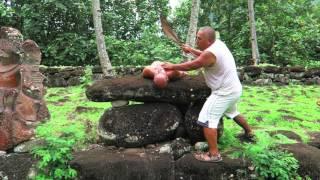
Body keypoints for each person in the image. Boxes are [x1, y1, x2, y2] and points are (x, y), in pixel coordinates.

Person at [162, 26, 254, 162]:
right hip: (234, 89)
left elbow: (193, 65)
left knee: (207, 120)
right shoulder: (219, 45)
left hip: (223, 92)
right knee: (232, 112)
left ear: (209, 41)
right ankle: (250, 133)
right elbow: (204, 56)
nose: (196, 40)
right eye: (196, 37)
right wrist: (191, 50)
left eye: (199, 38)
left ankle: (214, 154)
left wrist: (172, 66)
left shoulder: (210, 53)